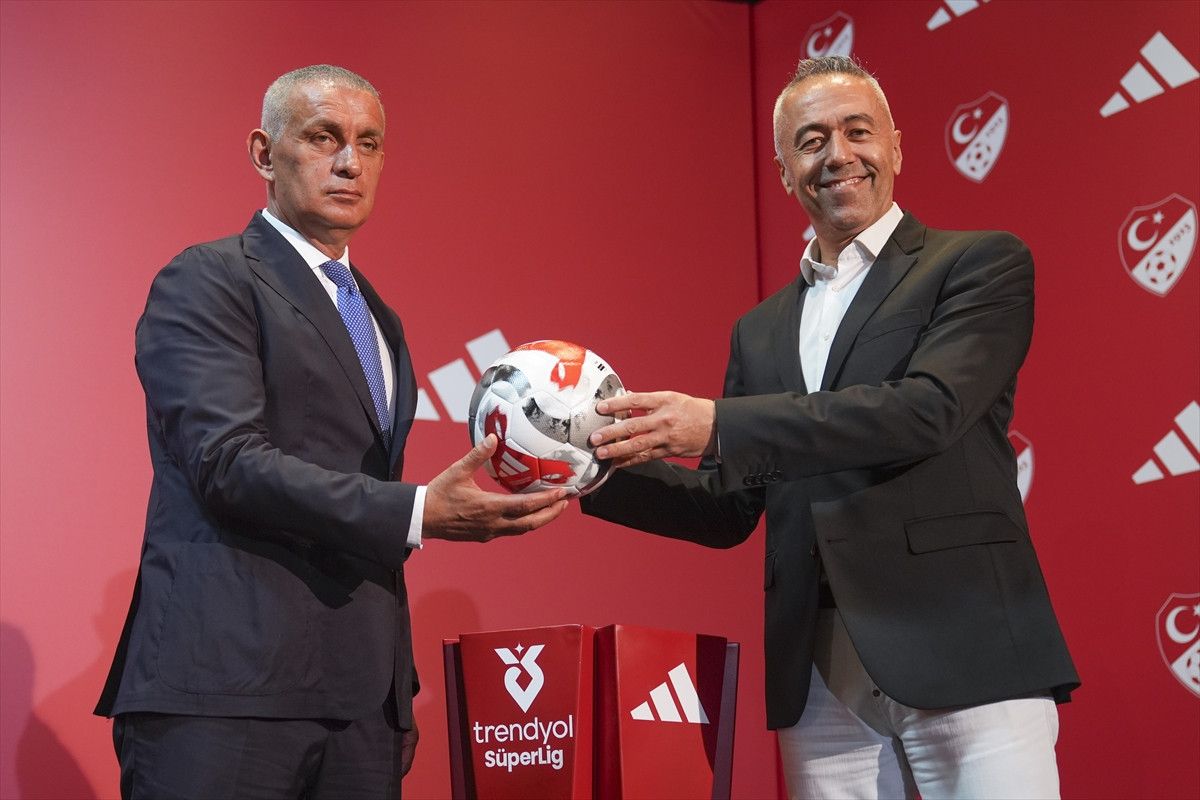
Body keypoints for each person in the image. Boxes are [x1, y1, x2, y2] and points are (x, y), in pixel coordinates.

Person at [583, 55, 1079, 799]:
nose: (838, 155)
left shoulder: (977, 263)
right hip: (819, 683)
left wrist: (718, 424)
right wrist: (584, 465)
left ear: (896, 148)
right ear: (785, 171)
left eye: (858, 131)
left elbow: (928, 409)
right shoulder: (759, 329)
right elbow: (724, 508)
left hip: (965, 644)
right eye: (811, 141)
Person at [93, 64, 568, 799]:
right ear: (263, 153)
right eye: (323, 137)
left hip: (358, 709)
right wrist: (419, 511)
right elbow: (228, 464)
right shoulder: (209, 280)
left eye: (369, 144)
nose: (350, 162)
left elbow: (362, 500)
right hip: (225, 693)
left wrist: (395, 689)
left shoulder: (379, 318)